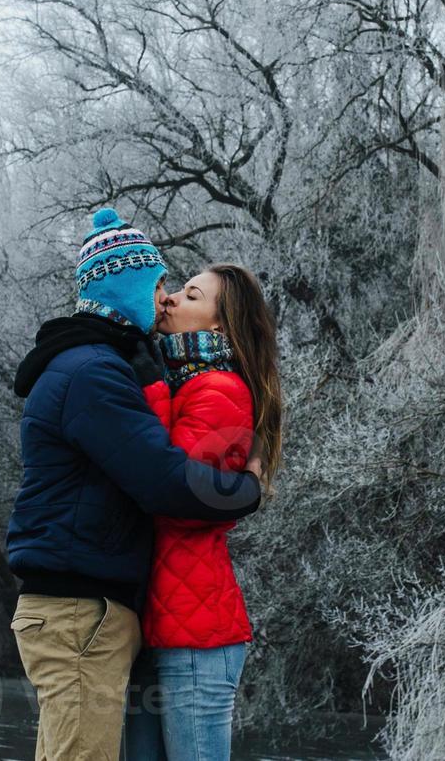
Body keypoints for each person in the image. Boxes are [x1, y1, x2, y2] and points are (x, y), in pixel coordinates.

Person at [6, 208, 265, 761]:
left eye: (184, 291)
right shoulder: (96, 373)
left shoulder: (107, 369)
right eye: (159, 285)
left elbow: (163, 468)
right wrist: (249, 492)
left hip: (125, 614)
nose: (166, 298)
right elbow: (165, 483)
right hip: (84, 610)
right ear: (129, 291)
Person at [124, 264, 283, 761]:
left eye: (191, 296)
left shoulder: (220, 390)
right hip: (160, 621)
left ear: (218, 325)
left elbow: (180, 500)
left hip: (197, 635)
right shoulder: (185, 383)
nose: (170, 300)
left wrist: (149, 389)